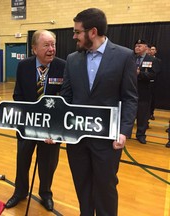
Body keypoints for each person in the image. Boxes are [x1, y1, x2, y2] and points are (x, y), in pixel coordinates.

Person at [59, 8, 138, 215]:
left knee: (105, 189)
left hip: (107, 140)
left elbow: (130, 97)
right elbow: (66, 97)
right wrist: (54, 126)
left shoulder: (124, 56)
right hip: (77, 140)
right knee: (82, 187)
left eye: (77, 31)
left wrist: (124, 131)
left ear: (92, 32)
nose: (74, 36)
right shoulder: (72, 59)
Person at [5, 30, 66, 211]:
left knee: (48, 164)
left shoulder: (63, 66)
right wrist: (30, 116)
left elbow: (66, 98)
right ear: (34, 49)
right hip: (27, 126)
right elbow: (18, 94)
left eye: (53, 44)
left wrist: (53, 125)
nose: (51, 49)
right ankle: (20, 192)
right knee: (23, 160)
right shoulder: (23, 66)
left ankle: (46, 193)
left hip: (51, 128)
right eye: (46, 45)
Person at [134, 39, 158, 144]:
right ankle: (126, 133)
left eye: (139, 46)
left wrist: (140, 74)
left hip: (144, 91)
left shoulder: (151, 60)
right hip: (130, 91)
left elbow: (153, 75)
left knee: (142, 115)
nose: (137, 48)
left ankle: (140, 135)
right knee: (128, 114)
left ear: (145, 47)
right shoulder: (131, 58)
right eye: (136, 46)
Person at [148, 44, 162, 120]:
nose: (152, 51)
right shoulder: (146, 59)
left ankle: (151, 113)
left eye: (153, 49)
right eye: (151, 49)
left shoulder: (157, 61)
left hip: (153, 83)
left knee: (152, 99)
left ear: (156, 51)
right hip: (145, 82)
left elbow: (157, 72)